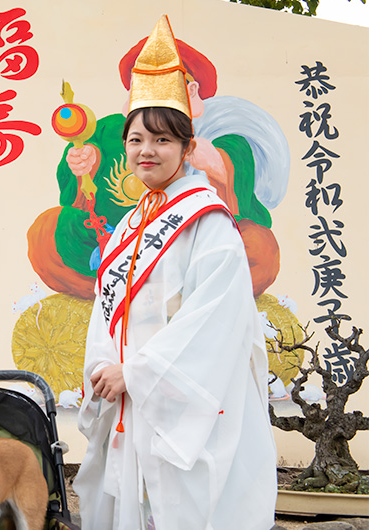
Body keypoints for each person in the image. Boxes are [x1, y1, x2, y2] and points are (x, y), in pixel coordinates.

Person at [71, 16, 277, 529]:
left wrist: (137, 374)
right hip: (126, 403)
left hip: (179, 409)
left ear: (187, 149)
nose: (147, 151)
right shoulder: (126, 227)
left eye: (163, 141)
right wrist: (102, 367)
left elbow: (216, 321)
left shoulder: (208, 224)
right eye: (137, 139)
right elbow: (107, 313)